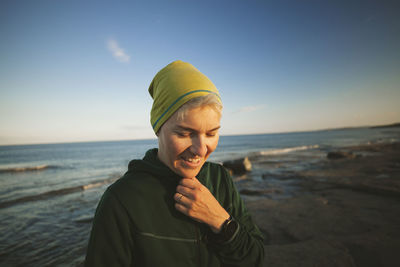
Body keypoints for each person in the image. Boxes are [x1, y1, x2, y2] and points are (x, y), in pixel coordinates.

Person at [85, 60, 264, 266]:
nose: (201, 149)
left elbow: (255, 257)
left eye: (211, 133)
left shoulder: (220, 179)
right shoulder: (121, 200)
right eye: (185, 133)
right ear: (158, 128)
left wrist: (221, 222)